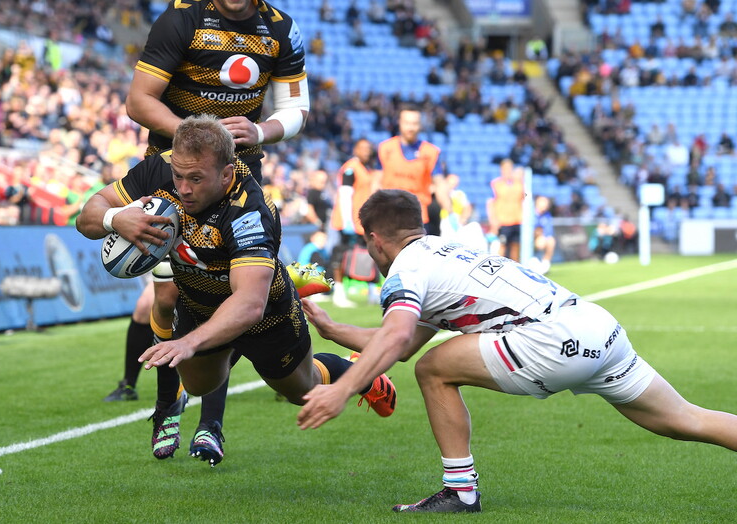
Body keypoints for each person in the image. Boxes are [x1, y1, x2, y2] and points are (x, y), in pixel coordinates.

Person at [298, 189, 737, 513]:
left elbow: (396, 341)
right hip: (598, 327)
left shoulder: (405, 271)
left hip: (552, 339)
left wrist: (343, 389)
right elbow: (403, 342)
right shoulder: (445, 251)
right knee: (686, 419)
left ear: (375, 240)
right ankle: (459, 492)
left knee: (434, 369)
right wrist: (333, 329)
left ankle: (460, 492)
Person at [77, 115, 396, 465]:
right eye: (179, 176)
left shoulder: (249, 210)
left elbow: (249, 304)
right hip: (200, 303)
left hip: (266, 313)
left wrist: (189, 342)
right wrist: (115, 218)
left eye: (196, 179)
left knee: (303, 391)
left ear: (226, 175)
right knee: (197, 385)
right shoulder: (160, 168)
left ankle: (354, 372)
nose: (183, 188)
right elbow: (87, 214)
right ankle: (197, 383)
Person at [116, 0, 312, 465]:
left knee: (222, 295)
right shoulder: (181, 17)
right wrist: (195, 141)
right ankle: (167, 405)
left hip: (234, 179)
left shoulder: (281, 29)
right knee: (165, 297)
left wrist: (261, 130)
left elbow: (296, 109)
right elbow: (139, 102)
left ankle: (210, 425)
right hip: (172, 176)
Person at [376, 104, 447, 230]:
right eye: (407, 123)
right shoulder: (385, 148)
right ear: (399, 122)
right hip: (388, 214)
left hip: (417, 217)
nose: (410, 128)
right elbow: (376, 181)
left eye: (414, 123)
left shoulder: (430, 152)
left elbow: (440, 184)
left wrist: (450, 214)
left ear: (420, 125)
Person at [330, 137, 378, 308]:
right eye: (362, 148)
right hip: (348, 219)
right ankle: (339, 292)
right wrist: (347, 220)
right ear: (355, 150)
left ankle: (372, 292)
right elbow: (345, 194)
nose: (366, 151)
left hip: (362, 220)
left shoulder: (367, 168)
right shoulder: (350, 168)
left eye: (368, 148)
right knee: (342, 253)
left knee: (368, 252)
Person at [489, 158, 524, 261]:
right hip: (503, 221)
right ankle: (499, 266)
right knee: (502, 246)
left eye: (510, 168)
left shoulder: (519, 183)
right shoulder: (496, 184)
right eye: (506, 168)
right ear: (501, 169)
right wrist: (493, 220)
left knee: (516, 247)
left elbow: (525, 196)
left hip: (517, 220)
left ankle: (515, 268)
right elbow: (490, 203)